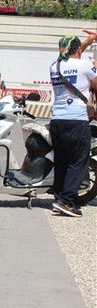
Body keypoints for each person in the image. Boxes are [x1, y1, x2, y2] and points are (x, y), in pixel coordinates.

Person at [49, 34, 97, 217]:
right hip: (77, 119)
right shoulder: (85, 65)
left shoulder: (55, 66)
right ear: (78, 49)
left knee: (62, 161)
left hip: (57, 120)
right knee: (78, 162)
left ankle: (59, 198)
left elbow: (72, 57)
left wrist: (88, 41)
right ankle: (68, 202)